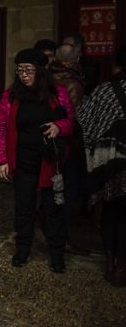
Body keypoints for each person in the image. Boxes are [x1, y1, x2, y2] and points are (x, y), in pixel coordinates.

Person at [0, 48, 75, 273]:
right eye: (20, 70)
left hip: (50, 162)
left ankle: (56, 254)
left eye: (28, 70)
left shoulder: (57, 93)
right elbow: (0, 128)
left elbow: (71, 121)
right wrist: (1, 160)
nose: (24, 75)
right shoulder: (10, 96)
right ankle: (23, 250)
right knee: (24, 208)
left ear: (40, 71)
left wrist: (59, 126)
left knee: (53, 209)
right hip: (23, 160)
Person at [78, 47, 126, 286]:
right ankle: (121, 265)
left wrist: (90, 157)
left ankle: (109, 260)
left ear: (117, 65)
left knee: (110, 211)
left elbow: (85, 125)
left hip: (108, 163)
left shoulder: (103, 91)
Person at [49, 44, 88, 254]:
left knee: (53, 189)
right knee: (68, 191)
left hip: (49, 143)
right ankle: (61, 238)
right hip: (68, 145)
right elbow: (76, 120)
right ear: (74, 61)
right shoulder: (73, 83)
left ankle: (52, 232)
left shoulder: (46, 78)